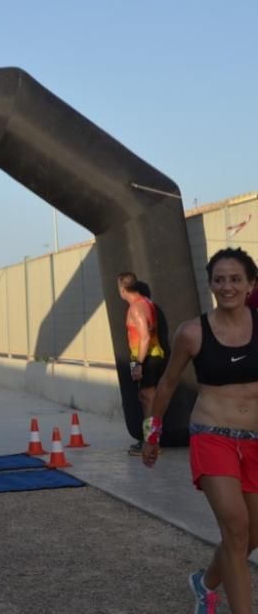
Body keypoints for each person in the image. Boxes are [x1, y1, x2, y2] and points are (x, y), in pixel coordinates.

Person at [142, 248, 258, 614]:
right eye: (219, 279)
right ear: (209, 284)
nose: (227, 286)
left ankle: (205, 584)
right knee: (236, 528)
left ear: (251, 285)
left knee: (251, 536)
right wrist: (152, 432)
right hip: (212, 435)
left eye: (236, 279)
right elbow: (167, 384)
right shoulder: (192, 332)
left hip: (255, 441)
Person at [118, 272, 168, 456]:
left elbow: (145, 337)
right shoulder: (146, 302)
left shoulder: (136, 308)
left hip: (146, 358)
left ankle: (151, 442)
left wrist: (138, 364)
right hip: (145, 357)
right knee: (145, 397)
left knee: (148, 401)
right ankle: (150, 440)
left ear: (122, 289)